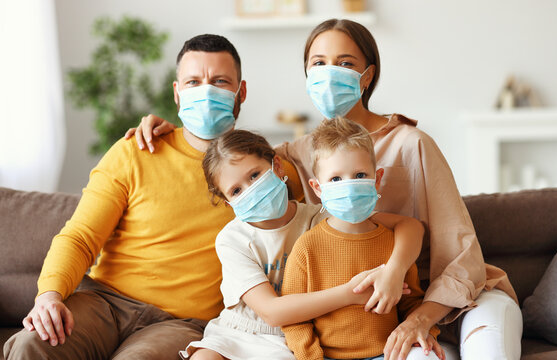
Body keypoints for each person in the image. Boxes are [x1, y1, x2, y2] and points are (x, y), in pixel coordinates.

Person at [4, 33, 420, 360]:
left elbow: (341, 197)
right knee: (30, 346)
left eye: (220, 82)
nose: (207, 91)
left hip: (183, 323)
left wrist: (394, 269)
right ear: (177, 92)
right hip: (105, 302)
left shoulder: (272, 169)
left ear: (240, 93)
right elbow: (79, 236)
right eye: (194, 82)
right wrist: (49, 296)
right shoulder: (134, 151)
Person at [128, 19, 523, 360]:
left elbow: (460, 254)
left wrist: (417, 314)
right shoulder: (298, 153)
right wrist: (168, 134)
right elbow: (238, 160)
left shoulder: (412, 144)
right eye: (318, 63)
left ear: (366, 76)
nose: (329, 73)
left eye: (345, 63)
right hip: (367, 313)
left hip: (446, 299)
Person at [180, 129, 424, 360]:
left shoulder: (322, 217)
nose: (251, 189)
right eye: (236, 190)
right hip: (239, 330)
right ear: (227, 202)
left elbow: (410, 226)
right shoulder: (232, 239)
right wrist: (350, 294)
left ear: (276, 166)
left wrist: (394, 270)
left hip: (290, 336)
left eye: (254, 175)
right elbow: (271, 311)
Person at [281, 117, 443, 360]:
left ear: (376, 179)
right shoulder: (307, 247)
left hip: (387, 354)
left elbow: (411, 302)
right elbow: (295, 320)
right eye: (336, 179)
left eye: (359, 175)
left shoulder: (392, 242)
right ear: (317, 188)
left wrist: (422, 329)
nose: (349, 186)